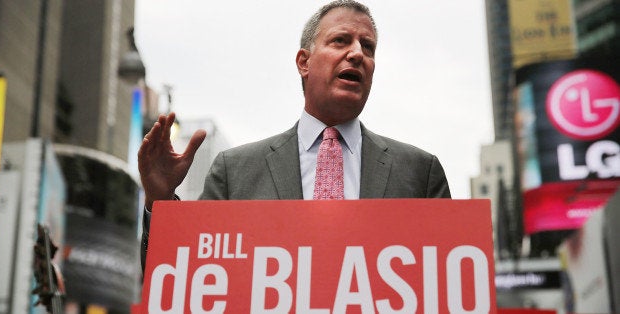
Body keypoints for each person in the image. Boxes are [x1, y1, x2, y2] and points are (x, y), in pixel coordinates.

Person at [139, 0, 450, 268]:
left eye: (367, 47)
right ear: (304, 62)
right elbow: (184, 278)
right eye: (341, 41)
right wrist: (160, 199)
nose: (357, 53)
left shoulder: (420, 172)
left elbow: (445, 281)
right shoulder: (235, 172)